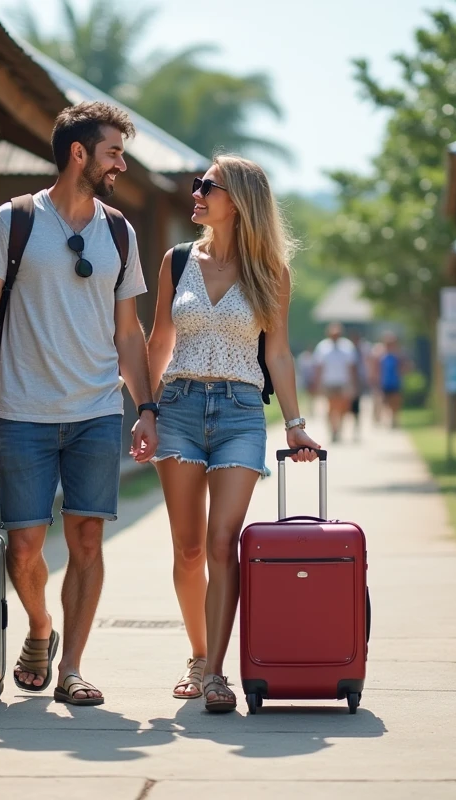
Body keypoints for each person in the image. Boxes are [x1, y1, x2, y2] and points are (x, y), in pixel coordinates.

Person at [0, 102, 158, 708]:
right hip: (24, 410)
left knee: (87, 542)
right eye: (113, 151)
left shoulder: (119, 231)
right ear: (79, 153)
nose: (121, 163)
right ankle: (40, 628)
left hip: (96, 411)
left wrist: (145, 408)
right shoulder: (15, 221)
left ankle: (74, 670)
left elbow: (129, 331)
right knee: (26, 546)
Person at [146, 155, 320, 714]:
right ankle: (198, 656)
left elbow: (278, 352)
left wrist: (294, 426)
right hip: (178, 406)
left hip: (242, 411)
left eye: (207, 186)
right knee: (189, 546)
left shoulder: (271, 270)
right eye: (197, 185)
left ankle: (218, 673)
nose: (195, 193)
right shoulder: (176, 262)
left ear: (238, 199)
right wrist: (145, 409)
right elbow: (157, 343)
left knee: (224, 541)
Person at [312, 322, 358, 443]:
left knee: (343, 407)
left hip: (343, 381)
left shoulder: (347, 346)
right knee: (331, 407)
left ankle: (339, 428)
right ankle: (333, 430)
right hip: (328, 381)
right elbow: (318, 367)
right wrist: (317, 384)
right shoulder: (322, 347)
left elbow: (352, 367)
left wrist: (353, 384)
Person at [378, 332, 407, 427]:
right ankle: (388, 419)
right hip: (384, 382)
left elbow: (405, 367)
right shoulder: (381, 355)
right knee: (385, 403)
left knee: (395, 402)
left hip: (395, 382)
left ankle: (394, 420)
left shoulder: (398, 355)